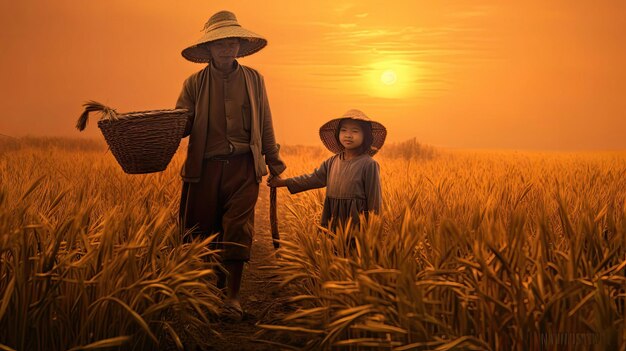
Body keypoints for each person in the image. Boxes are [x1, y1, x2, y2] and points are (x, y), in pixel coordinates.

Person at [176, 10, 286, 321]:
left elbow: (265, 122)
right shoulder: (193, 83)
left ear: (239, 45)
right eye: (221, 43)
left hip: (243, 167)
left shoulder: (254, 80)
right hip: (204, 168)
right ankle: (214, 288)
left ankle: (233, 297)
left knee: (238, 228)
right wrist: (166, 126)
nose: (228, 48)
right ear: (208, 48)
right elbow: (182, 122)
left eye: (233, 42)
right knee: (204, 230)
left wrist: (273, 159)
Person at [268, 109, 386, 232]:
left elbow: (375, 201)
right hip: (333, 220)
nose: (348, 135)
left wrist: (374, 232)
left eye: (355, 131)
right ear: (337, 134)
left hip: (356, 226)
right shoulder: (332, 162)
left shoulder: (369, 165)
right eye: (343, 130)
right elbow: (313, 179)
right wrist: (283, 182)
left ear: (365, 136)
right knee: (332, 249)